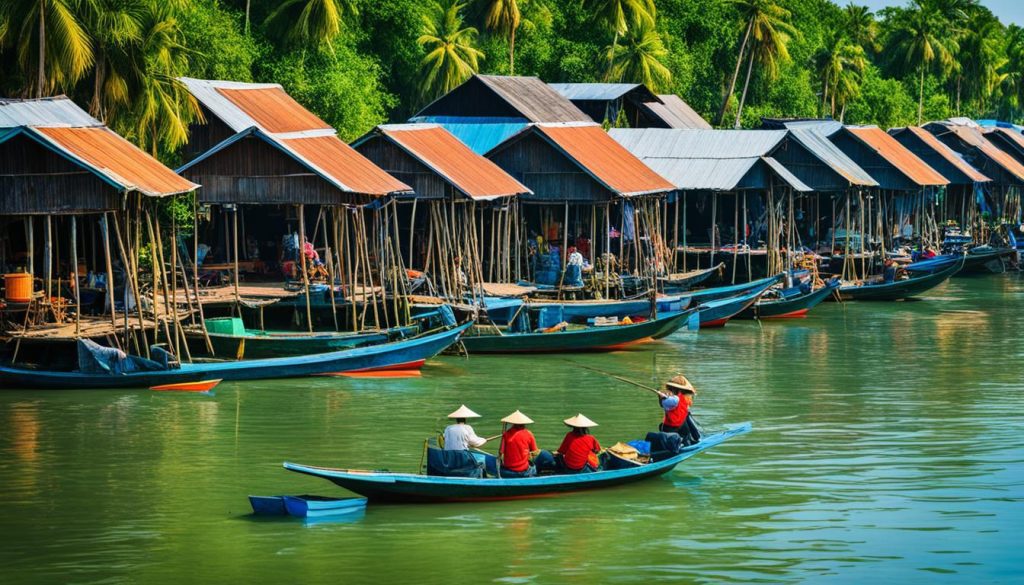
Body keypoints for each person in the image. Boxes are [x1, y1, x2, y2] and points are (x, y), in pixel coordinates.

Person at [658, 374, 700, 445]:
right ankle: (688, 441)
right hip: (676, 426)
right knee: (685, 432)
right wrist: (662, 397)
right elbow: (666, 404)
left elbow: (663, 404)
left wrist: (661, 397)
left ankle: (686, 441)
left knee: (684, 431)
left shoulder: (675, 398)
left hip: (674, 426)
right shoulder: (681, 398)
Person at [498, 410, 540, 478]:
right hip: (524, 471)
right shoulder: (528, 434)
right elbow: (535, 452)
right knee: (541, 456)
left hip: (508, 470)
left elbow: (500, 452)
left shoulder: (506, 434)